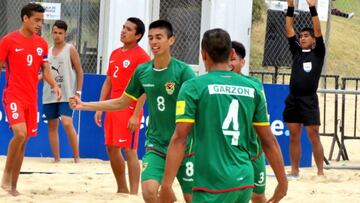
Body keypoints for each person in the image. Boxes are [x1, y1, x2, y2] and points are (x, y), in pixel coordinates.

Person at [69, 20, 195, 203]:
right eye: (151, 38)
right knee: (149, 191)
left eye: (159, 37)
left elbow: (199, 107)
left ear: (171, 40)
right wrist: (85, 105)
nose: (154, 42)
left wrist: (136, 114)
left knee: (191, 198)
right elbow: (121, 101)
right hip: (157, 144)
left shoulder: (184, 72)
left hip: (185, 145)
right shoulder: (143, 71)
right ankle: (126, 189)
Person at [159, 28, 287, 203]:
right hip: (244, 178)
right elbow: (268, 141)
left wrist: (166, 185)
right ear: (232, 52)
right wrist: (282, 182)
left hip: (211, 182)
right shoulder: (253, 88)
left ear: (203, 54)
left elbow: (179, 139)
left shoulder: (193, 87)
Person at [0, 3, 61, 196]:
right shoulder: (9, 40)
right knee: (19, 133)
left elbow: (45, 69)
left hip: (31, 98)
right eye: (36, 20)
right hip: (13, 95)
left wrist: (54, 84)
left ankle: (14, 186)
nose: (39, 24)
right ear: (25, 18)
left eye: (42, 21)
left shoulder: (42, 44)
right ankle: (6, 176)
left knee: (23, 141)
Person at [93, 17, 150, 194]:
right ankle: (122, 188)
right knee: (111, 147)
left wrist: (136, 114)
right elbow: (108, 82)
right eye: (123, 27)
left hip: (130, 107)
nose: (123, 31)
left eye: (129, 29)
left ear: (138, 35)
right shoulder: (115, 53)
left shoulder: (142, 56)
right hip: (113, 106)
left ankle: (133, 193)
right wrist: (100, 106)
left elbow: (145, 89)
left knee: (130, 150)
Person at [285, 0, 325, 177]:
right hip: (293, 98)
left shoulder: (318, 52)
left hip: (309, 99)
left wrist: (312, 7)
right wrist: (291, 5)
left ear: (313, 40)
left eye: (306, 36)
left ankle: (320, 172)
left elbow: (318, 29)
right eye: (300, 36)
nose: (302, 38)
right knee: (294, 134)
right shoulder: (297, 52)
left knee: (313, 135)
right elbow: (288, 28)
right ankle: (294, 170)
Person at [41, 20, 83, 163]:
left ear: (65, 34)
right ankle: (56, 159)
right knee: (52, 125)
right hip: (49, 94)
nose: (57, 35)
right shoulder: (47, 51)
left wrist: (78, 92)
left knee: (66, 122)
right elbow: (44, 73)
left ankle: (77, 157)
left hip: (67, 94)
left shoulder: (70, 49)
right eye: (55, 32)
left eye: (60, 33)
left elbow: (79, 71)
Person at [230, 41, 267, 203]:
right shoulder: (212, 83)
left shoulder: (254, 85)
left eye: (234, 59)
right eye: (227, 59)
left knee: (258, 195)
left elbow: (262, 120)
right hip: (227, 151)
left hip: (253, 150)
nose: (230, 63)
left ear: (242, 62)